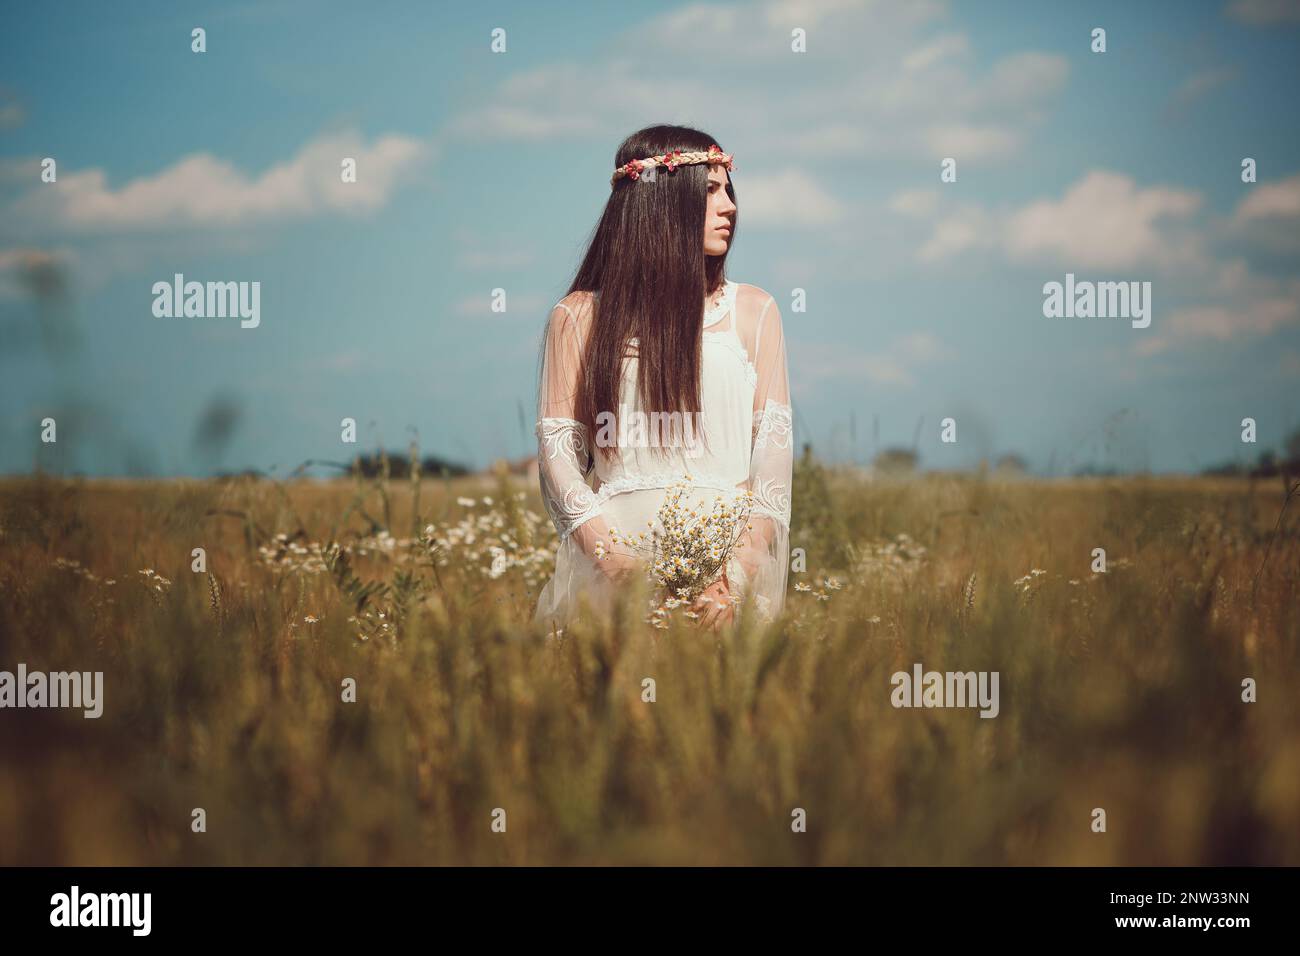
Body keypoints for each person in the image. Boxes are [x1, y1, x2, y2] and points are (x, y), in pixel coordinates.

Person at [534, 125, 792, 630]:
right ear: (662, 204)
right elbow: (558, 459)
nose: (730, 207)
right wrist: (615, 565)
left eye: (728, 189)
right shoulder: (579, 317)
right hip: (614, 578)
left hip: (727, 582)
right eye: (710, 190)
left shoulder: (754, 311)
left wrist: (731, 581)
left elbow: (773, 469)